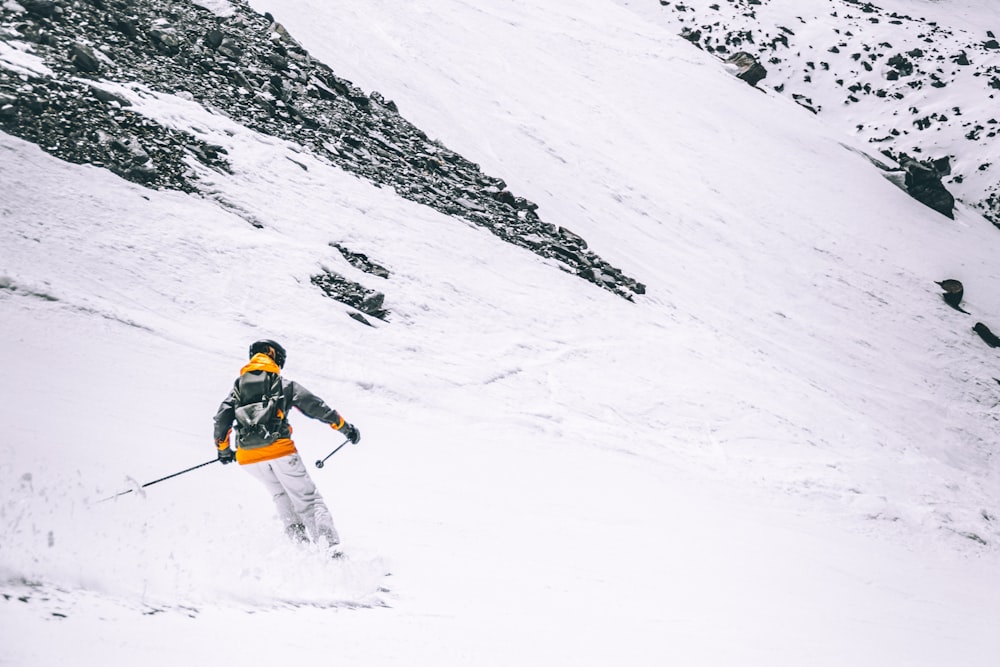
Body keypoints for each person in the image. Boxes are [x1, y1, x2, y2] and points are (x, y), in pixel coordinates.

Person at [213, 339, 361, 549]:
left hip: (248, 458)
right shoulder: (282, 384)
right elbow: (315, 406)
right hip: (280, 451)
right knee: (309, 501)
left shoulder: (237, 388)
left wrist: (224, 451)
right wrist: (346, 428)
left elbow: (221, 420)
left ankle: (299, 553)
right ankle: (332, 555)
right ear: (274, 356)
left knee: (282, 498)